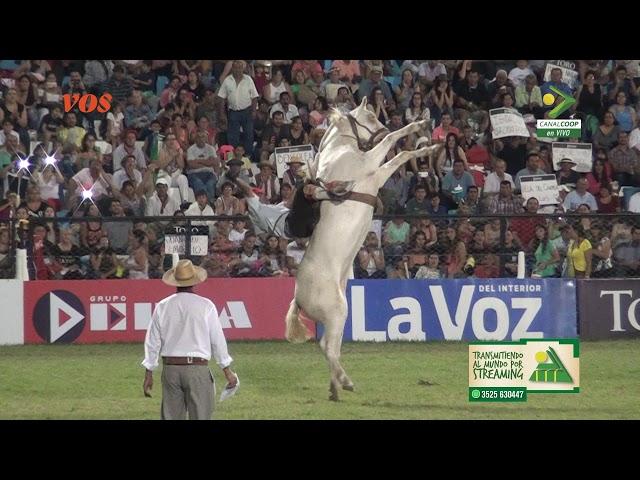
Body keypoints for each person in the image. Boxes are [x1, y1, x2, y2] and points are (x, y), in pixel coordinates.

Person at [141, 259, 238, 420]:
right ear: (195, 282)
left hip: (170, 368)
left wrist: (149, 372)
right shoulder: (206, 305)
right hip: (197, 368)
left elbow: (152, 341)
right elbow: (217, 340)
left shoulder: (162, 306)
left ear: (175, 282)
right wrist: (226, 370)